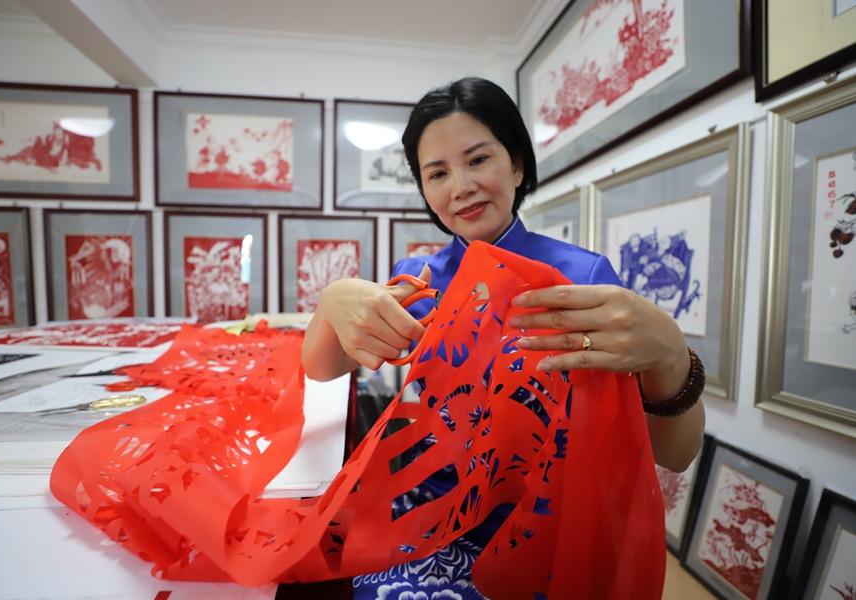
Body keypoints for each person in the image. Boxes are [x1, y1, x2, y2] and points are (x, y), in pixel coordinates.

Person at [302, 76, 706, 598]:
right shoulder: (417, 278)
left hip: (543, 517)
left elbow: (673, 453)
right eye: (437, 173)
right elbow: (323, 378)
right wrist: (329, 308)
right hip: (429, 505)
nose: (460, 187)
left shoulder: (580, 278)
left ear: (516, 164)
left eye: (477, 160)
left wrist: (672, 358)